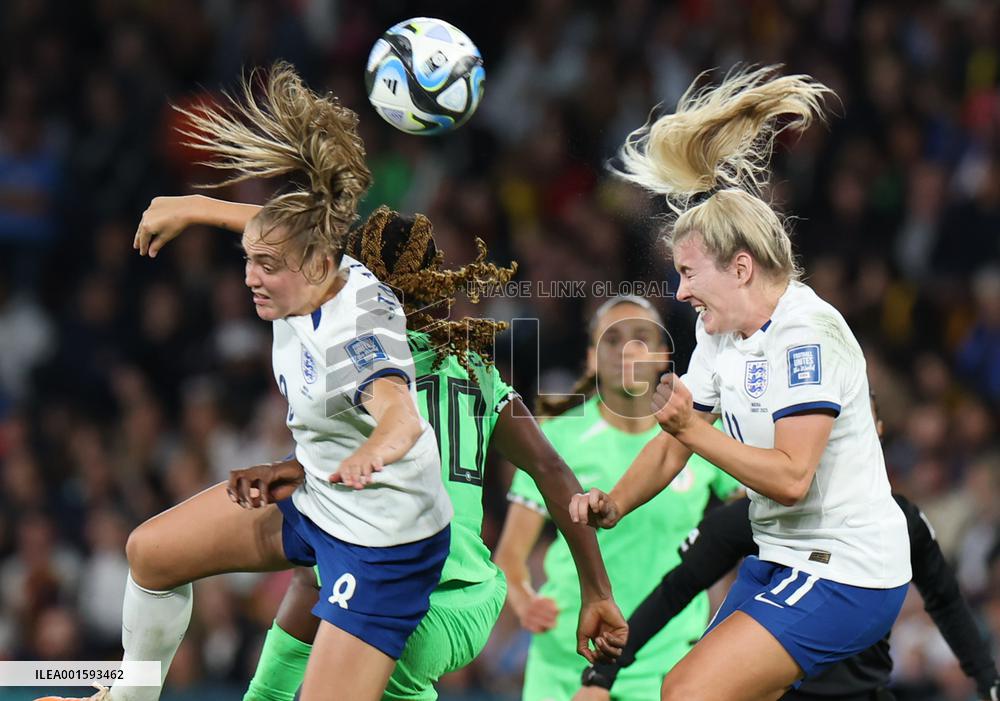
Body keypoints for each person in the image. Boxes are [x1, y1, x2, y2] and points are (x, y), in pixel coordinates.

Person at [132, 199, 628, 701]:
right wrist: (598, 592)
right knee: (313, 570)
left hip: (420, 591)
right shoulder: (475, 371)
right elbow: (549, 467)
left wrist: (194, 206)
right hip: (466, 591)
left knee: (331, 586)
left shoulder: (356, 345)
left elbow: (395, 431)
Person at [570, 66, 912, 701]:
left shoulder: (807, 335)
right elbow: (674, 443)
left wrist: (693, 429)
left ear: (743, 267)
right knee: (688, 687)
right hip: (783, 557)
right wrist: (615, 503)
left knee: (689, 692)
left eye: (690, 273)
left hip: (846, 568)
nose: (680, 292)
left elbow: (790, 477)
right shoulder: (721, 333)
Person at [576, 398, 1000, 701]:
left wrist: (986, 679)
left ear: (876, 434)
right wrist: (607, 670)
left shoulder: (901, 522)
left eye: (852, 425)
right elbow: (678, 587)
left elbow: (945, 598)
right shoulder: (761, 517)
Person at [494, 295, 742, 701]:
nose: (628, 349)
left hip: (667, 664)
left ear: (664, 355)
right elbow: (510, 558)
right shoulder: (555, 438)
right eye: (613, 340)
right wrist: (525, 603)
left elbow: (751, 527)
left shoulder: (697, 436)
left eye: (642, 338)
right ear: (592, 358)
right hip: (566, 663)